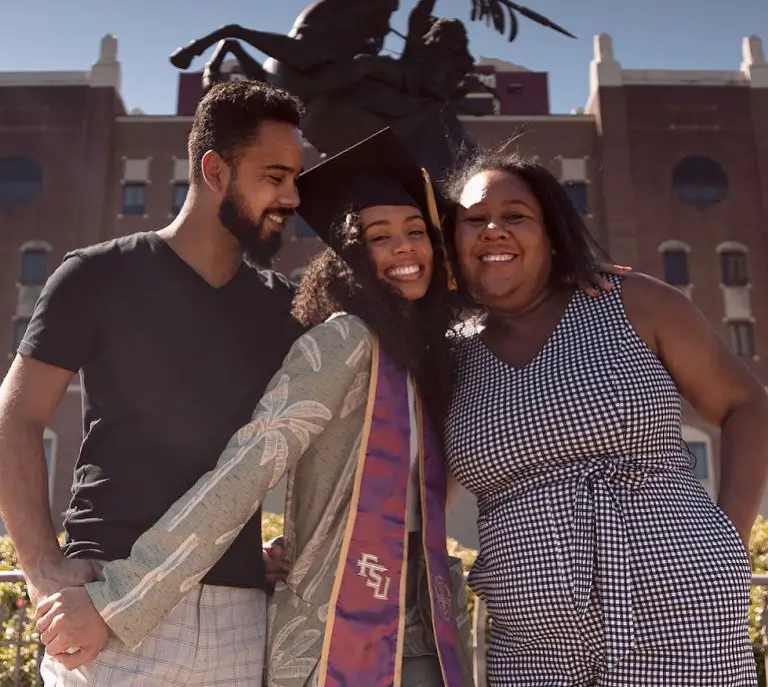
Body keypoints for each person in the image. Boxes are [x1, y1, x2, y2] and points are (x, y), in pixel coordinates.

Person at [35, 128, 475, 686]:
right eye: (377, 237)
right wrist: (123, 599)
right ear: (348, 256)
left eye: (416, 231)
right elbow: (244, 471)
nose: (404, 247)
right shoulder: (341, 342)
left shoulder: (437, 360)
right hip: (344, 626)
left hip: (430, 619)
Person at [0, 80, 307, 686]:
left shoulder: (284, 308)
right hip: (106, 605)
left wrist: (289, 546)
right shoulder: (97, 274)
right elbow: (16, 418)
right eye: (275, 176)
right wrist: (41, 570)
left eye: (296, 178)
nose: (292, 196)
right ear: (214, 170)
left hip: (240, 617)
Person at [443, 149, 768, 686]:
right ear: (453, 242)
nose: (493, 230)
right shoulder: (451, 358)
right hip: (530, 643)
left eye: (516, 216)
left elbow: (747, 404)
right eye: (474, 219)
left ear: (551, 232)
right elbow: (418, 489)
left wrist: (728, 544)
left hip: (679, 611)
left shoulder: (631, 301)